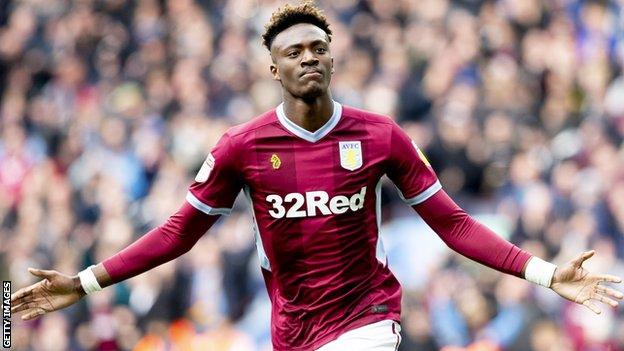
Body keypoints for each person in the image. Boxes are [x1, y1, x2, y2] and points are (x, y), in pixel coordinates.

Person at [10, 2, 624, 350]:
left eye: (317, 48)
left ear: (331, 57)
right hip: (291, 331)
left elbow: (454, 224)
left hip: (368, 319)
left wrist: (545, 274)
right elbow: (178, 233)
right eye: (293, 53)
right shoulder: (241, 149)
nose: (308, 58)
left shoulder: (380, 136)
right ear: (274, 70)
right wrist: (86, 283)